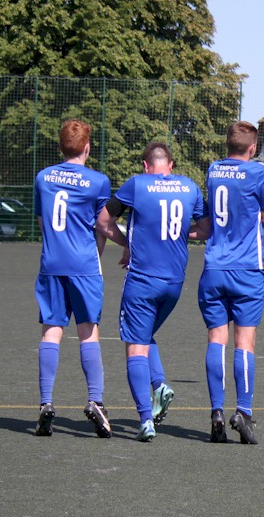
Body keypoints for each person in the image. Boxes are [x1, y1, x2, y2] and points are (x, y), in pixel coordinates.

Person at [101, 142, 209, 441]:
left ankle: (146, 419)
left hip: (142, 280)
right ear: (170, 166)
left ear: (146, 166)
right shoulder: (189, 187)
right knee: (145, 335)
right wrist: (179, 232)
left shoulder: (137, 185)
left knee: (135, 345)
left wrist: (126, 245)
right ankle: (160, 384)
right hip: (174, 283)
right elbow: (206, 228)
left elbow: (103, 220)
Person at [33, 119, 125, 438]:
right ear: (87, 147)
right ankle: (95, 401)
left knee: (51, 332)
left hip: (52, 264)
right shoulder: (98, 181)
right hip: (84, 266)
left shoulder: (43, 178)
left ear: (61, 147)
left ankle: (46, 404)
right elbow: (103, 225)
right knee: (88, 334)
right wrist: (128, 245)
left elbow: (45, 223)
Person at [199, 121, 264, 445]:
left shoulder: (214, 170)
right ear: (253, 148)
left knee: (217, 338)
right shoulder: (259, 173)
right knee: (244, 342)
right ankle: (242, 412)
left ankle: (216, 411)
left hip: (214, 266)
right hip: (247, 268)